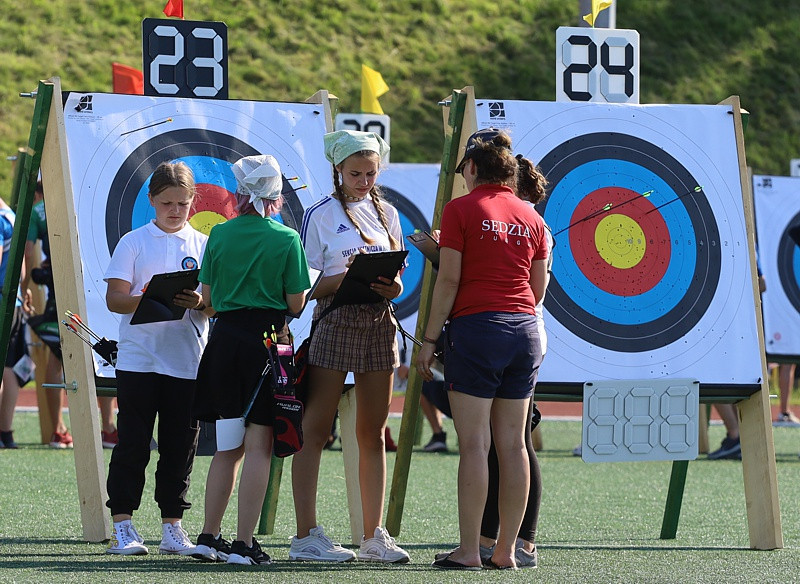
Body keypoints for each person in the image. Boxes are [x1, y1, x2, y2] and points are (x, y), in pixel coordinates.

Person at [417, 128, 549, 570]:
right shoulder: (533, 218)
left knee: (474, 444)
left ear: (472, 167)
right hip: (525, 331)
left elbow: (450, 280)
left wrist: (430, 340)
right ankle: (508, 551)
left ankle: (470, 550)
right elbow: (537, 289)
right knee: (514, 445)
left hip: (477, 331)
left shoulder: (460, 209)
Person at [290, 129, 410, 564]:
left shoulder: (390, 212)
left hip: (379, 322)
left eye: (370, 173)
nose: (363, 181)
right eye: (355, 173)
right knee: (315, 430)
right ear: (337, 169)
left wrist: (390, 284)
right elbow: (303, 288)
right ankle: (306, 535)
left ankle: (373, 536)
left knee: (372, 433)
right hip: (335, 320)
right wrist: (345, 277)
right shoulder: (319, 214)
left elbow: (398, 274)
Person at [192, 155, 310, 566]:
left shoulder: (219, 235)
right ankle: (244, 544)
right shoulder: (286, 239)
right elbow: (295, 302)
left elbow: (206, 299)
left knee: (227, 446)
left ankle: (208, 536)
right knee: (259, 443)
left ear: (239, 194)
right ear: (276, 196)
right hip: (266, 343)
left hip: (223, 342)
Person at [103, 161, 211, 556]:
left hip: (186, 359)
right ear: (151, 200)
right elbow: (115, 299)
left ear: (192, 201)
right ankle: (124, 526)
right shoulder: (133, 241)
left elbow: (214, 305)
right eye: (166, 202)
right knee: (132, 442)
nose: (175, 210)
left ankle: (172, 527)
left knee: (180, 446)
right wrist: (149, 298)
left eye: (182, 203)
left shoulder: (203, 244)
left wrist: (198, 300)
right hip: (138, 360)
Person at [24, 180, 119, 449]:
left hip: (61, 286)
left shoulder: (38, 210)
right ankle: (108, 428)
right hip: (96, 283)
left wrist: (27, 287)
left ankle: (56, 431)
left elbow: (29, 254)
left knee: (57, 355)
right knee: (99, 349)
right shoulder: (87, 197)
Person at [0, 197, 28, 449]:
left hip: (2, 301)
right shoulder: (11, 215)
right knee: (8, 368)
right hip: (13, 301)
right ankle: (5, 432)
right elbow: (22, 269)